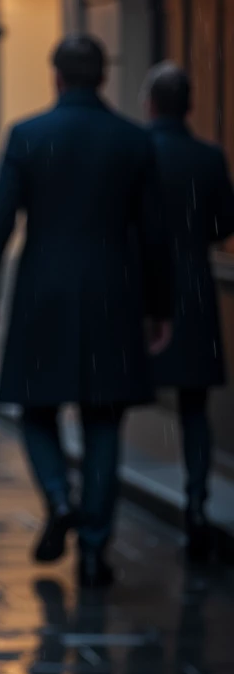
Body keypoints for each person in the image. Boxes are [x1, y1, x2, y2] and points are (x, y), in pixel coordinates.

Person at [0, 34, 171, 589]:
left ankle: (60, 497)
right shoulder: (132, 141)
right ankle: (93, 548)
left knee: (37, 411)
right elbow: (156, 234)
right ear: (103, 76)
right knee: (104, 419)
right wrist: (160, 305)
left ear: (57, 77)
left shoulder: (30, 135)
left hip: (44, 292)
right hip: (114, 292)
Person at [143, 61, 234, 558]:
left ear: (151, 104)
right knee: (195, 408)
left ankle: (97, 521)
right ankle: (196, 502)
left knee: (112, 405)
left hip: (140, 293)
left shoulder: (138, 149)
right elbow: (224, 223)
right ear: (189, 106)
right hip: (194, 288)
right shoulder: (208, 156)